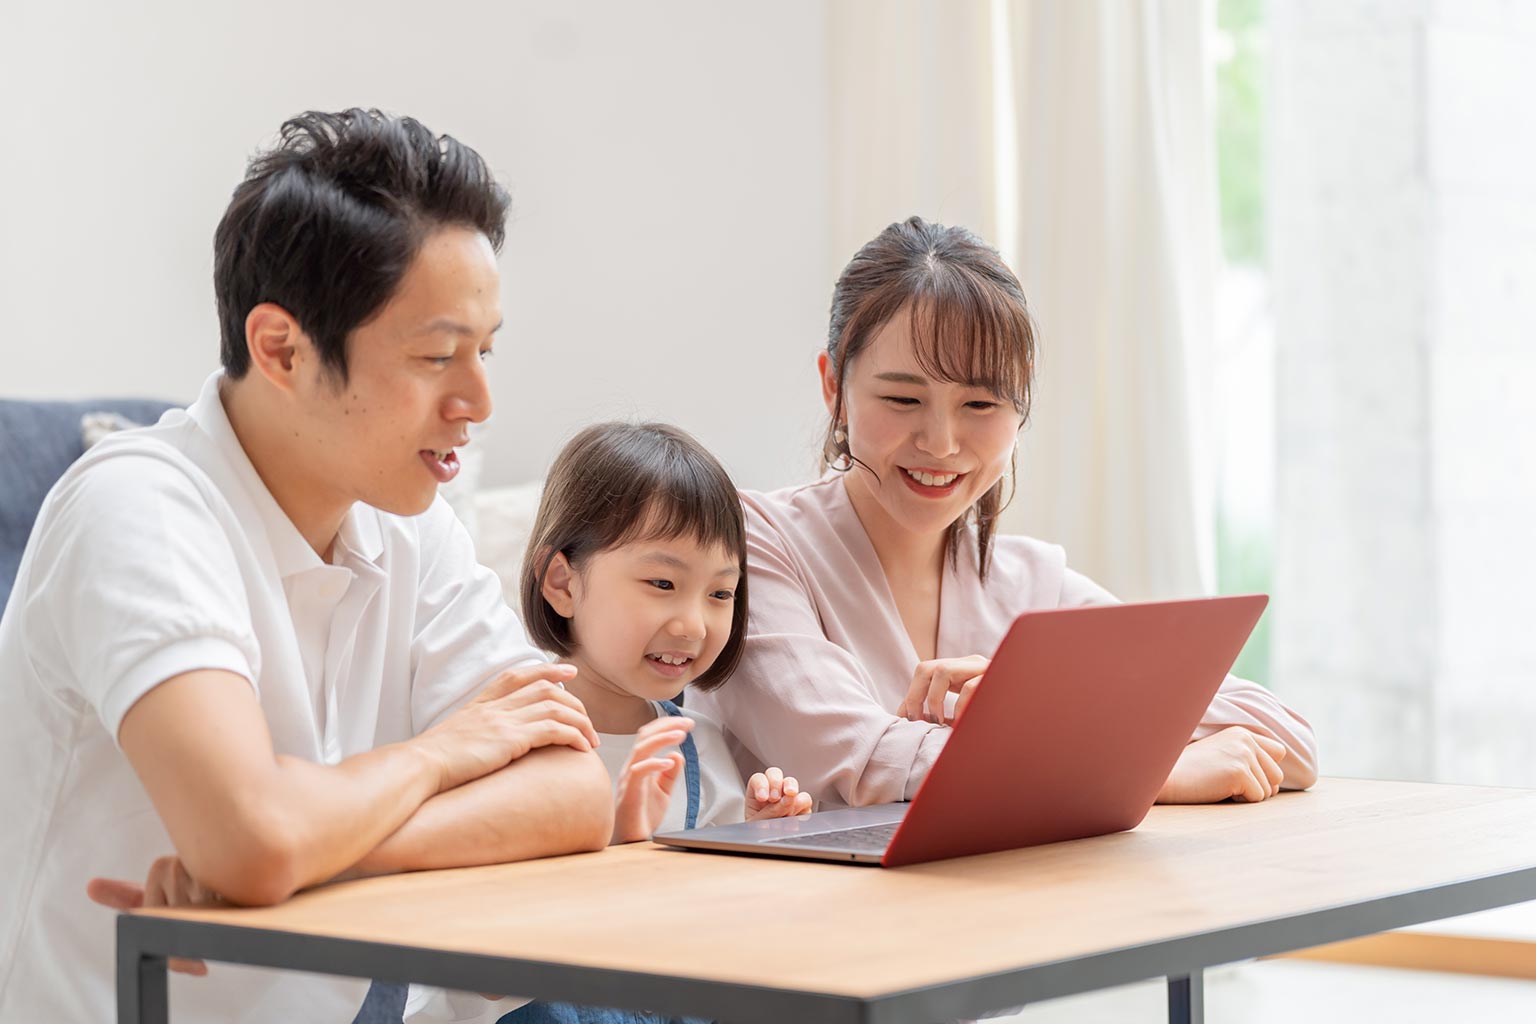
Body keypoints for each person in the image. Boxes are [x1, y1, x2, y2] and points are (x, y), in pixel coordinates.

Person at [0, 109, 614, 1024]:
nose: (478, 400)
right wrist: (440, 756)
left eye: (485, 351)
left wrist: (319, 849)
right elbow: (251, 834)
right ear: (280, 348)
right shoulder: (136, 509)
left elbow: (574, 792)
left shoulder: (409, 519)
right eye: (438, 356)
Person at [691, 216, 1318, 811]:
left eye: (982, 404)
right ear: (835, 388)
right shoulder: (749, 546)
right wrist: (1151, 771)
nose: (940, 441)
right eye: (903, 398)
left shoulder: (1027, 582)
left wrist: (1042, 705)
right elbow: (863, 762)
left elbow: (1280, 737)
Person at [494, 422, 812, 1024]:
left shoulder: (706, 750)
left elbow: (725, 942)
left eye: (721, 594)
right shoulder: (511, 732)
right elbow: (485, 960)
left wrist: (757, 843)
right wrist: (618, 852)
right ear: (562, 582)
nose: (694, 624)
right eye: (662, 583)